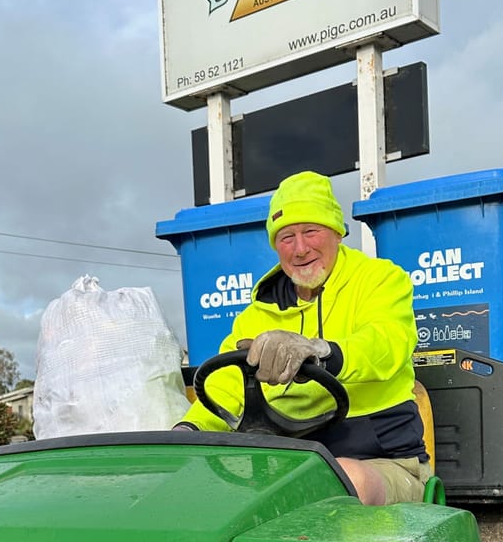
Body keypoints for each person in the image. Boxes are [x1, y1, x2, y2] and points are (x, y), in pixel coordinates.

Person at [175, 170, 431, 504]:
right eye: (286, 237)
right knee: (203, 494)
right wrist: (186, 431)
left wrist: (322, 353)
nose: (299, 249)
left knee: (336, 481)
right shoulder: (255, 316)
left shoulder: (381, 280)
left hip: (381, 462)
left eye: (311, 231)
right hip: (285, 467)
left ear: (337, 233)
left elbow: (386, 344)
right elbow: (224, 389)